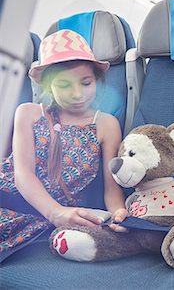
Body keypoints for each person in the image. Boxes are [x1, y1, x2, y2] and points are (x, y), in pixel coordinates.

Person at [0, 29, 128, 260]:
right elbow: (23, 174)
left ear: (96, 81)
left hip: (51, 218)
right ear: (49, 86)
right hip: (11, 198)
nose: (77, 94)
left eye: (86, 83)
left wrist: (119, 214)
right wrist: (54, 212)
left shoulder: (106, 125)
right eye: (64, 85)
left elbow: (112, 190)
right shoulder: (28, 113)